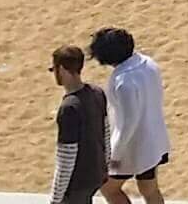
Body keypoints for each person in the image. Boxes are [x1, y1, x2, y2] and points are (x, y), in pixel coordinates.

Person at [90, 27, 169, 204]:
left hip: (132, 147)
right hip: (154, 140)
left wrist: (114, 155)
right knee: (149, 189)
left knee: (109, 188)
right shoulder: (148, 63)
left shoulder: (123, 82)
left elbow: (128, 123)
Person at [48, 45, 109, 204]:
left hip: (76, 184)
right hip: (95, 175)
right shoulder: (97, 93)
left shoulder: (69, 108)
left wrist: (56, 198)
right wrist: (104, 166)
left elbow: (66, 158)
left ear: (61, 69)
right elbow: (105, 133)